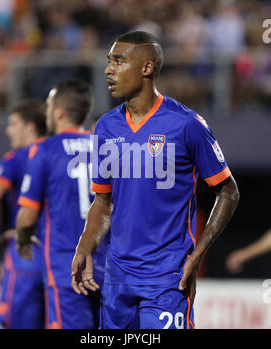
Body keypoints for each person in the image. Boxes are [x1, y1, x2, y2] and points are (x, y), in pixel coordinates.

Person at [71, 31, 240, 329]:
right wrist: (84, 246)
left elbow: (228, 192)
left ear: (147, 68)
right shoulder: (106, 127)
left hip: (167, 278)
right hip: (117, 277)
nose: (108, 70)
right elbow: (103, 201)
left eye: (119, 61)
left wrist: (198, 255)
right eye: (109, 61)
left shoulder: (186, 124)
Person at [16, 79, 108, 329]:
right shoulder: (106, 149)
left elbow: (27, 217)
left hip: (66, 270)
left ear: (59, 112)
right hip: (109, 269)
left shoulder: (44, 150)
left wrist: (22, 239)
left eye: (48, 105)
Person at [0, 100, 46, 329]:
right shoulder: (60, 155)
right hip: (60, 261)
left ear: (30, 127)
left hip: (24, 258)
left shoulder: (16, 158)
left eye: (13, 123)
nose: (8, 130)